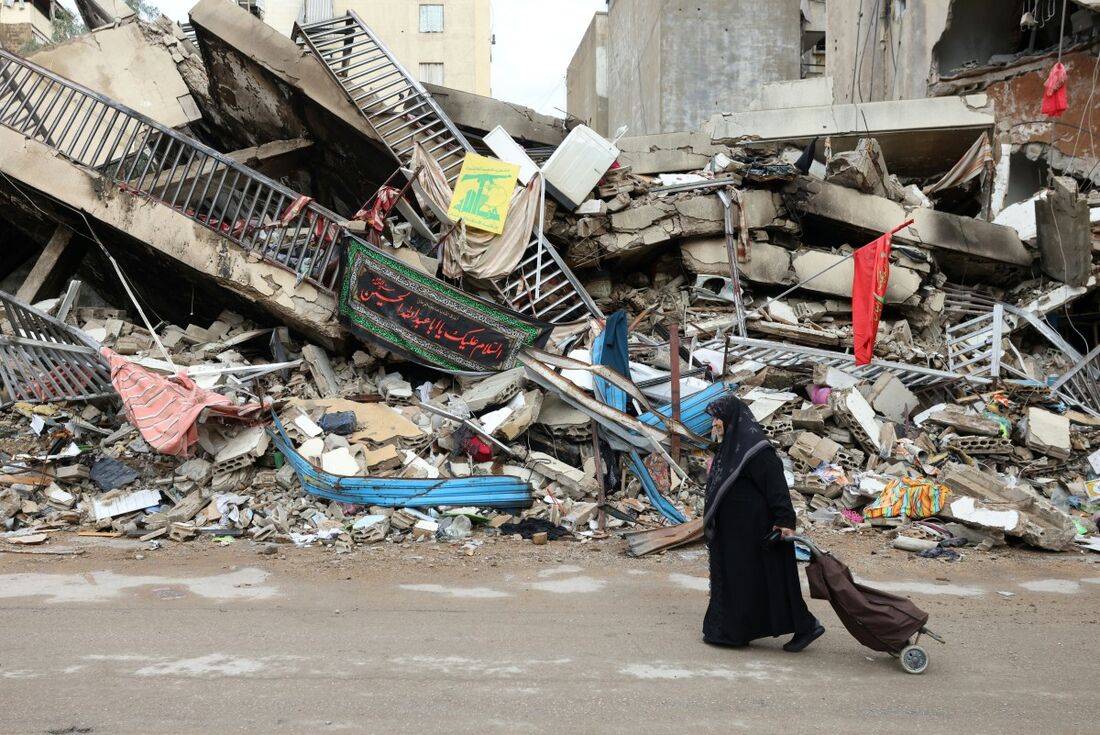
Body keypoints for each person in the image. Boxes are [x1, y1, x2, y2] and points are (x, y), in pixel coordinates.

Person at [701, 394, 824, 652]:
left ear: (731, 418)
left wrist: (784, 521)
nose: (714, 423)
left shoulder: (756, 449)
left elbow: (776, 486)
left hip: (756, 530)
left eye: (717, 417)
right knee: (741, 580)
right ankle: (731, 631)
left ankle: (806, 625)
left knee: (766, 579)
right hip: (736, 532)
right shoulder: (732, 446)